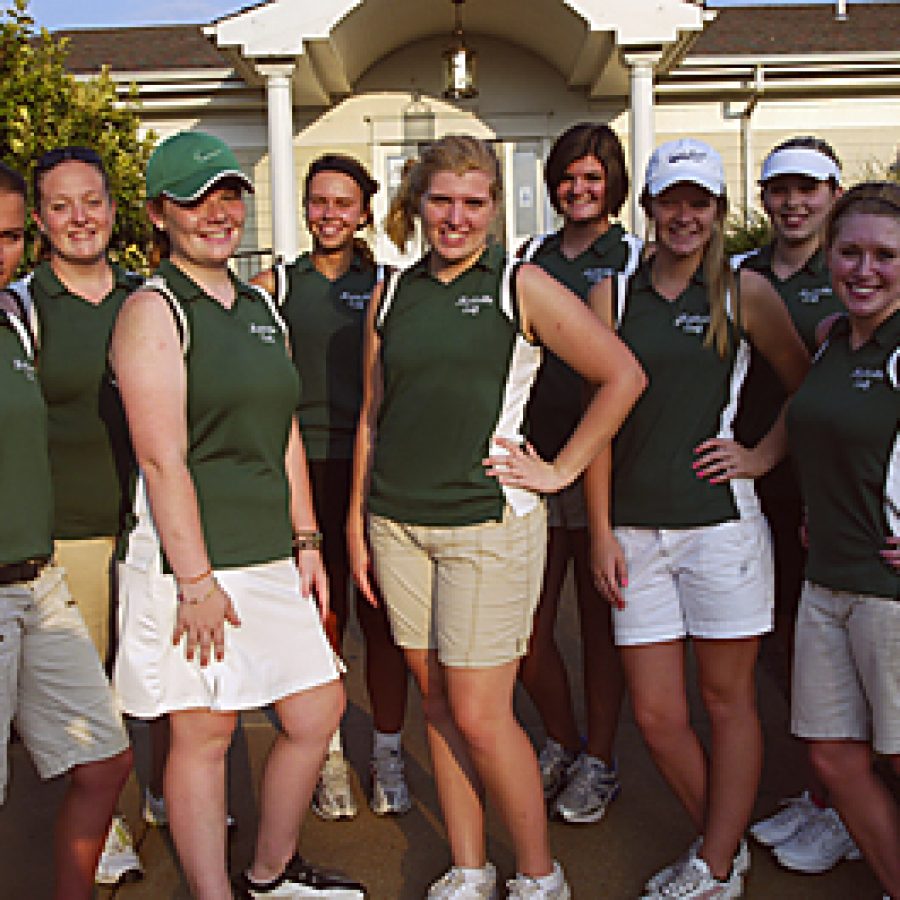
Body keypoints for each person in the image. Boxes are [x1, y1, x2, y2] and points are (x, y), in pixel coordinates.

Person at [348, 134, 646, 899]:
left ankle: (540, 875)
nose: (456, 217)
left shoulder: (524, 284)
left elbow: (620, 375)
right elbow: (372, 418)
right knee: (439, 703)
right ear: (418, 203)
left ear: (493, 207)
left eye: (473, 202)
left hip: (488, 525)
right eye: (441, 200)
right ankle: (471, 866)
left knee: (481, 713)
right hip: (397, 526)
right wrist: (354, 520)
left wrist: (559, 470)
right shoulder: (392, 292)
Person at [109, 130, 365, 899]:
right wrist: (194, 579)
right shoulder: (152, 310)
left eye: (228, 194)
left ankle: (268, 872)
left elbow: (281, 426)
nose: (218, 212)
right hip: (189, 560)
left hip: (267, 552)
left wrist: (308, 539)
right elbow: (162, 460)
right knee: (203, 731)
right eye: (194, 200)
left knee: (319, 708)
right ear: (159, 214)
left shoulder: (258, 302)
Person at [586, 138, 810, 899]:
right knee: (654, 713)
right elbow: (598, 426)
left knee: (727, 700)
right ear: (648, 207)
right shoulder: (610, 295)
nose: (685, 215)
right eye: (671, 200)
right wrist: (596, 531)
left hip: (722, 526)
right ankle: (726, 842)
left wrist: (762, 454)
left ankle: (713, 863)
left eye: (700, 202)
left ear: (717, 211)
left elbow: (804, 384)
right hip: (633, 535)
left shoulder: (744, 293)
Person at [253, 154, 410, 821]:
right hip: (302, 473)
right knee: (321, 622)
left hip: (370, 469)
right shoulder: (275, 286)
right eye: (319, 201)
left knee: (382, 622)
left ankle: (389, 753)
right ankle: (330, 758)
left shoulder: (390, 284)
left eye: (343, 203)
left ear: (365, 211)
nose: (329, 214)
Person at [11, 145, 147, 886]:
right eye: (60, 206)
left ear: (113, 208)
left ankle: (160, 792)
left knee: (149, 677)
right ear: (38, 221)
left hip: (148, 526)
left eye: (91, 201)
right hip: (71, 532)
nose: (79, 219)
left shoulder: (145, 296)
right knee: (88, 692)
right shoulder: (25, 306)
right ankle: (108, 820)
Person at [735, 138, 859, 873]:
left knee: (836, 656)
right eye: (779, 188)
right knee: (784, 647)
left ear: (834, 194)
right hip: (755, 495)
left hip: (829, 495)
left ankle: (844, 803)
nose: (793, 202)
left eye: (808, 188)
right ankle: (820, 793)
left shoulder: (849, 272)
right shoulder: (739, 274)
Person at [517, 122, 641, 823]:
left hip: (599, 467)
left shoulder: (631, 260)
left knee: (599, 622)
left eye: (593, 177)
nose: (579, 189)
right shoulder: (531, 256)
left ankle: (600, 758)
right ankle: (561, 739)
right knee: (526, 627)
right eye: (568, 176)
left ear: (613, 183)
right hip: (534, 462)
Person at [786, 180, 900, 900]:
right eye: (850, 252)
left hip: (889, 594)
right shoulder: (830, 337)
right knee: (832, 753)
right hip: (824, 581)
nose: (864, 270)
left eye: (886, 256)